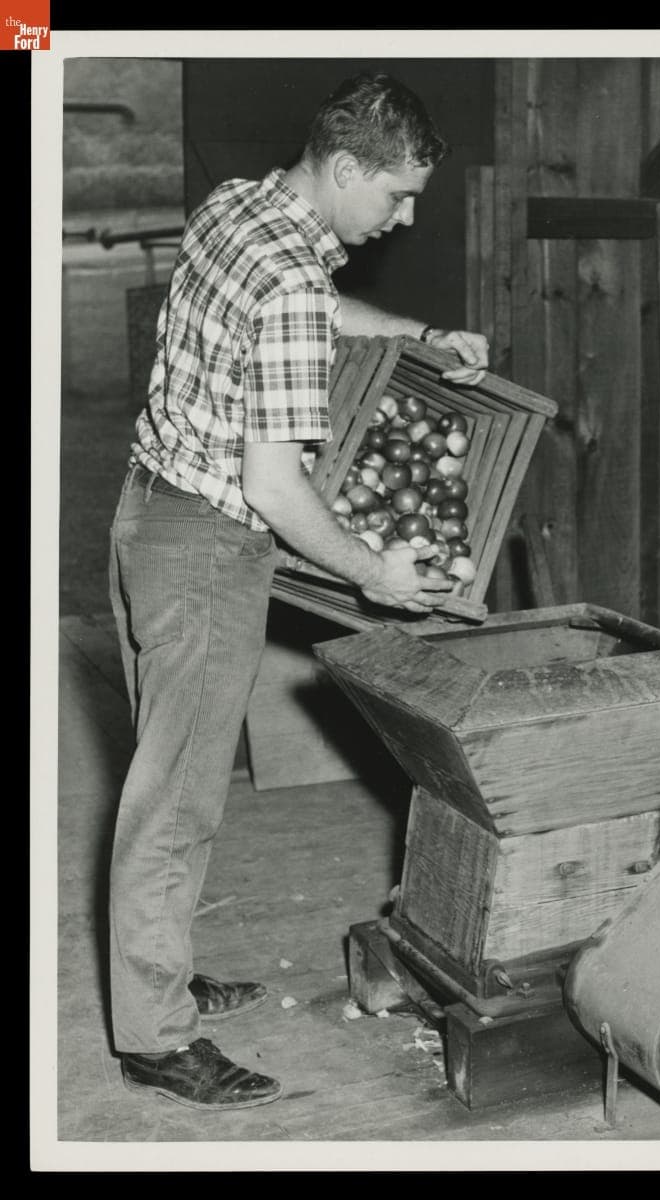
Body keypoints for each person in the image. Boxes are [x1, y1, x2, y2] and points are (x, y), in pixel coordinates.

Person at [107, 73, 488, 1111]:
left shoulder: (240, 203)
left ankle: (158, 973)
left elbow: (316, 307)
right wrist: (379, 575)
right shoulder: (283, 279)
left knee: (166, 774)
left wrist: (409, 335)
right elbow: (277, 486)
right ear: (346, 168)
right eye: (397, 196)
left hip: (148, 511)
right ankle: (154, 1036)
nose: (403, 217)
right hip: (206, 548)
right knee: (175, 800)